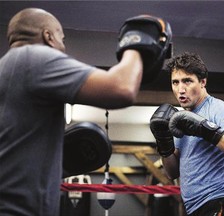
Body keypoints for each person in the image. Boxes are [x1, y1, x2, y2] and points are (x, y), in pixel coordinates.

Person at [0, 8, 171, 216]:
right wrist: (137, 41)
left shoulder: (8, 69)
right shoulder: (34, 57)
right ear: (49, 36)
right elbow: (121, 88)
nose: (63, 48)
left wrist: (56, 167)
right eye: (62, 40)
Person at [150, 52, 224, 216]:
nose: (181, 89)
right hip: (195, 207)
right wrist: (164, 142)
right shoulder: (180, 119)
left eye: (187, 81)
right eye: (175, 82)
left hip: (220, 200)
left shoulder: (217, 109)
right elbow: (172, 172)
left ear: (202, 82)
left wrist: (204, 129)